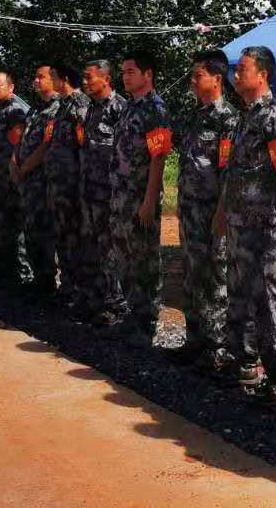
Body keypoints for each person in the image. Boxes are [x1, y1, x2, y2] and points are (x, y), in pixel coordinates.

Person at [219, 45, 276, 407]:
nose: (236, 75)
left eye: (243, 69)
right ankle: (245, 364)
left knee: (270, 302)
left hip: (267, 229)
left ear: (263, 75)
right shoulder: (244, 117)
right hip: (240, 226)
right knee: (241, 297)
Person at [173, 48, 241, 372]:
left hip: (212, 212)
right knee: (191, 275)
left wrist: (221, 213)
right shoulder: (196, 115)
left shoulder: (228, 119)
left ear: (217, 79)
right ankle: (195, 341)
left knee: (215, 279)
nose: (192, 80)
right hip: (190, 209)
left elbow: (227, 171)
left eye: (198, 75)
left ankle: (217, 350)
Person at [108, 50, 174, 343]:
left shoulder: (155, 110)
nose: (125, 77)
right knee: (124, 259)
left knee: (144, 261)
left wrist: (149, 201)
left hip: (140, 199)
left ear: (148, 75)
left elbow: (158, 159)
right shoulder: (128, 108)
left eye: (131, 71)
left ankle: (146, 324)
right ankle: (133, 316)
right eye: (123, 72)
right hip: (121, 199)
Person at [79, 59, 127, 325]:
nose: (84, 82)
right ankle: (95, 299)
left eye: (89, 77)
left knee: (110, 250)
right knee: (92, 247)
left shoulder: (120, 108)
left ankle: (114, 306)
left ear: (106, 79)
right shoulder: (91, 109)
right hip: (90, 191)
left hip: (109, 194)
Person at [43, 63, 91, 313]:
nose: (50, 81)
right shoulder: (61, 106)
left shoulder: (80, 104)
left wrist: (80, 184)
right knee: (61, 236)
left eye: (52, 77)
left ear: (63, 80)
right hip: (57, 184)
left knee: (74, 238)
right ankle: (67, 288)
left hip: (72, 186)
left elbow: (84, 146)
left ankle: (78, 291)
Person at [14, 62, 61, 293]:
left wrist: (25, 167)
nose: (36, 80)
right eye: (35, 76)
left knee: (44, 233)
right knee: (30, 231)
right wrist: (15, 162)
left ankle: (47, 283)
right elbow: (21, 139)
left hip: (43, 182)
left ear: (54, 80)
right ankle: (37, 280)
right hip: (28, 181)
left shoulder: (57, 108)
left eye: (41, 77)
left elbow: (46, 145)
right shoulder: (34, 109)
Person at [0, 69, 30, 284]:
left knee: (13, 226)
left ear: (11, 88)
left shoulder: (14, 112)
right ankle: (1, 269)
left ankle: (20, 274)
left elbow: (17, 146)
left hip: (9, 181)